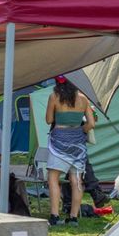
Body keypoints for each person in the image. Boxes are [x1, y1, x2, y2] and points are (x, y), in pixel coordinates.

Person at [47, 75, 95, 225]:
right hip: (78, 142)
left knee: (53, 178)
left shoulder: (54, 96)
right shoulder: (83, 99)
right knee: (76, 180)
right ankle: (73, 217)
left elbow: (49, 120)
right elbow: (91, 123)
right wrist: (81, 130)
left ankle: (54, 215)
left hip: (59, 141)